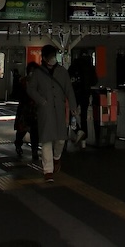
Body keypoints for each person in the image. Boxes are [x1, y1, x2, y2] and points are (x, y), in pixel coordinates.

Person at [27, 43, 76, 182]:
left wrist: (73, 106)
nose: (53, 58)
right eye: (50, 56)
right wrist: (41, 101)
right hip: (45, 111)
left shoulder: (62, 72)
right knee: (46, 140)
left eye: (54, 56)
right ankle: (48, 171)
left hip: (59, 109)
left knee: (61, 139)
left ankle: (57, 158)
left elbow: (69, 90)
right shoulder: (38, 73)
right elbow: (30, 89)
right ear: (44, 58)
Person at [69, 53, 98, 148]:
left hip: (75, 94)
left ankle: (77, 129)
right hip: (86, 94)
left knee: (70, 115)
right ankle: (84, 141)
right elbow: (94, 81)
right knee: (84, 116)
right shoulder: (90, 67)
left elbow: (69, 79)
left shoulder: (74, 65)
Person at [13, 61, 39, 161]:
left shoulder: (38, 83)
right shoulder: (23, 82)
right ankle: (18, 144)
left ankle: (34, 150)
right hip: (25, 110)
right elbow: (18, 95)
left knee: (34, 131)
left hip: (33, 110)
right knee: (22, 130)